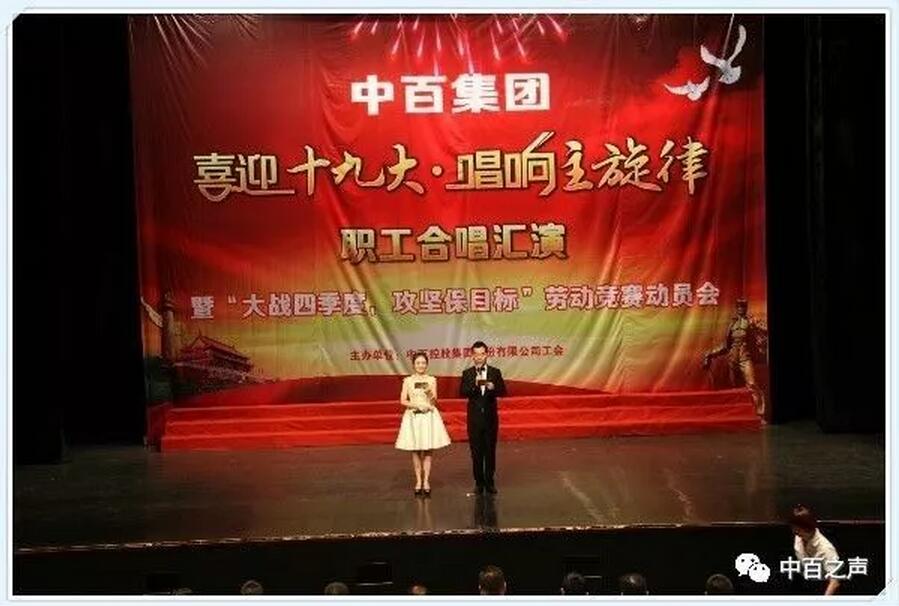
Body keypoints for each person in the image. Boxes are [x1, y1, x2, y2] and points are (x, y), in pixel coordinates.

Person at [395, 352, 451, 497]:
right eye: (418, 363)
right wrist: (416, 405)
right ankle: (418, 481)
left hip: (428, 417)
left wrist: (429, 393)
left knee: (427, 450)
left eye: (423, 363)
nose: (421, 365)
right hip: (413, 416)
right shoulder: (408, 380)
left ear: (427, 364)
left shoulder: (431, 380)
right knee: (415, 450)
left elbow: (434, 401)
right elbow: (403, 400)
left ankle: (426, 481)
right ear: (413, 365)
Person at [702, 298, 768, 419]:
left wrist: (757, 326)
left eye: (743, 306)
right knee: (733, 389)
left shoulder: (751, 321)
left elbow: (765, 332)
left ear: (746, 308)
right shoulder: (732, 324)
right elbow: (725, 346)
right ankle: (735, 416)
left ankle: (760, 414)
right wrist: (711, 354)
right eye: (739, 307)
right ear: (736, 308)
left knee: (752, 384)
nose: (741, 309)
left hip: (745, 357)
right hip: (732, 359)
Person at [460, 341, 506, 495]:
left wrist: (494, 388)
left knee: (490, 452)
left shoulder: (495, 372)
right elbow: (462, 392)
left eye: (482, 354)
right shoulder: (467, 373)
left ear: (486, 355)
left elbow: (503, 391)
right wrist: (474, 385)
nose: (479, 357)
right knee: (476, 453)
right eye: (476, 354)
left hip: (490, 419)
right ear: (472, 356)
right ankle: (479, 483)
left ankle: (490, 483)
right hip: (474, 420)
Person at [790, 505, 841, 595]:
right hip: (803, 582)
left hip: (822, 587)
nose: (796, 533)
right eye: (795, 531)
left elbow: (834, 582)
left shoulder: (826, 549)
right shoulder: (799, 535)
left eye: (798, 531)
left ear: (808, 529)